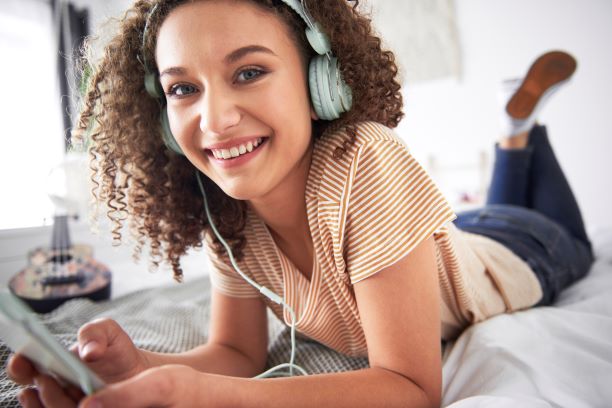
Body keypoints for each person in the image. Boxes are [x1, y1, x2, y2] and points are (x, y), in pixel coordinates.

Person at [6, 0, 593, 405]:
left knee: (563, 231)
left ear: (320, 86)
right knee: (484, 216)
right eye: (184, 88)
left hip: (523, 249)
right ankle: (515, 129)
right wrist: (139, 368)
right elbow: (237, 352)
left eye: (250, 72)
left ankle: (517, 134)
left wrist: (216, 401)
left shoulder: (367, 160)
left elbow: (412, 388)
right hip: (451, 239)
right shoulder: (223, 209)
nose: (214, 119)